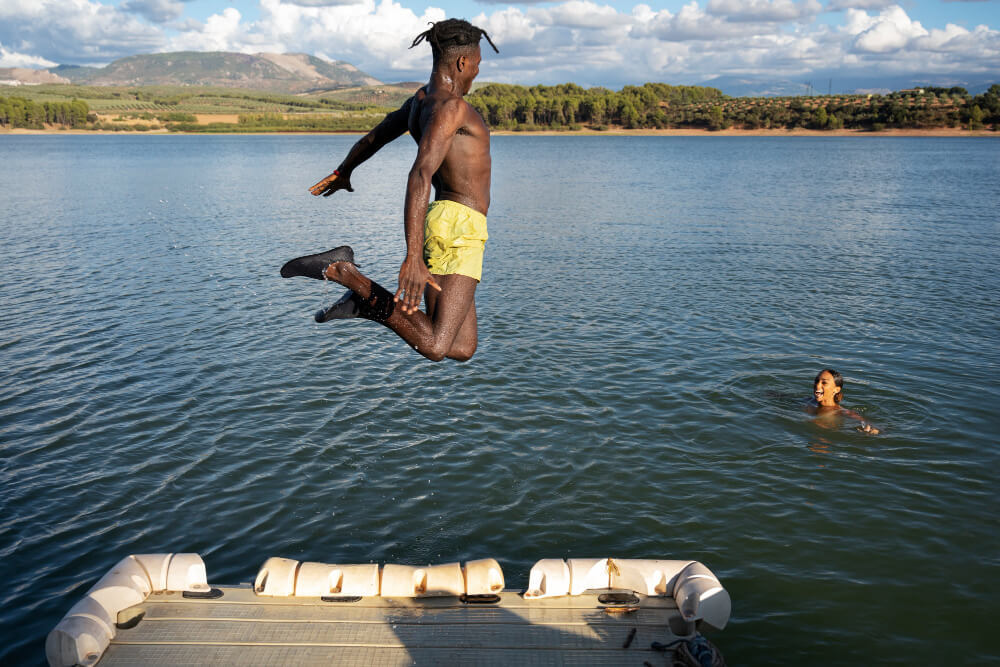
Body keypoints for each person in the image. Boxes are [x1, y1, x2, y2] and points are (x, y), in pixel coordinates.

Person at [280, 19, 498, 362]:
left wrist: (344, 171)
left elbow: (375, 137)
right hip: (458, 227)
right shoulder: (453, 108)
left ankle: (366, 305)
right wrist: (412, 257)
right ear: (462, 63)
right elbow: (421, 173)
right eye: (477, 66)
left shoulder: (420, 103)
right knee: (437, 346)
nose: (476, 74)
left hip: (452, 223)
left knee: (462, 347)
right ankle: (343, 273)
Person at [807, 368, 880, 434]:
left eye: (824, 383)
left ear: (836, 390)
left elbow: (871, 425)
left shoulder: (841, 412)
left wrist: (872, 430)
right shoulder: (809, 401)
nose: (817, 385)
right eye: (817, 381)